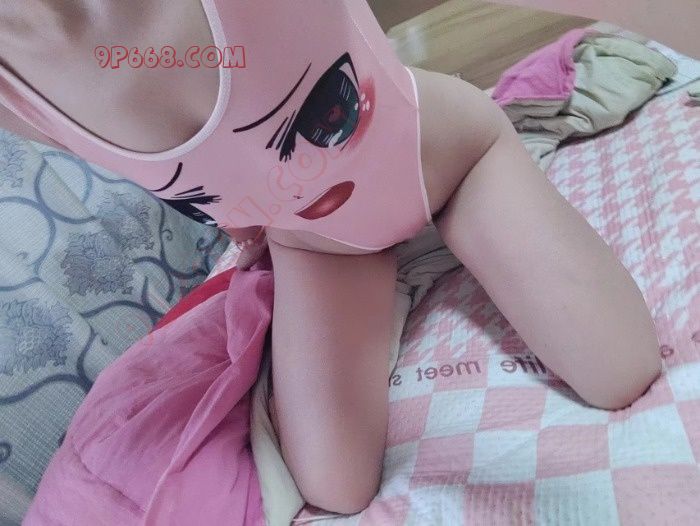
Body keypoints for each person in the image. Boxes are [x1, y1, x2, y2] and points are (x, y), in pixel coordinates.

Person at [0, 0, 663, 515]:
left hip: (448, 156)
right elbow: (215, 164)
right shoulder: (14, 91)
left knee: (620, 372)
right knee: (333, 488)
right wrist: (245, 221)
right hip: (317, 242)